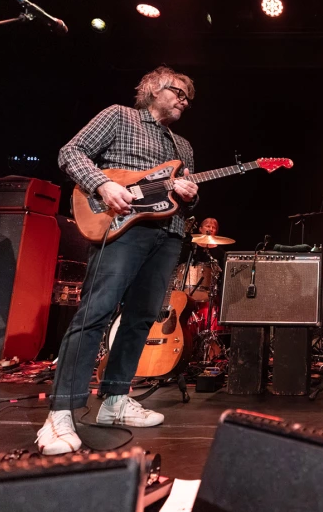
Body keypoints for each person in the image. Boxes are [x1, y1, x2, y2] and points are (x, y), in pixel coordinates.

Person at [36, 67, 199, 455]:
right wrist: (103, 184)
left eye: (189, 97)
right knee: (96, 312)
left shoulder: (185, 146)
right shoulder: (118, 116)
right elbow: (70, 153)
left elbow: (186, 195)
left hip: (169, 233)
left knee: (142, 318)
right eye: (179, 92)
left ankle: (114, 401)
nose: (185, 100)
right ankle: (60, 412)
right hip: (121, 228)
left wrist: (191, 193)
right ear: (152, 89)